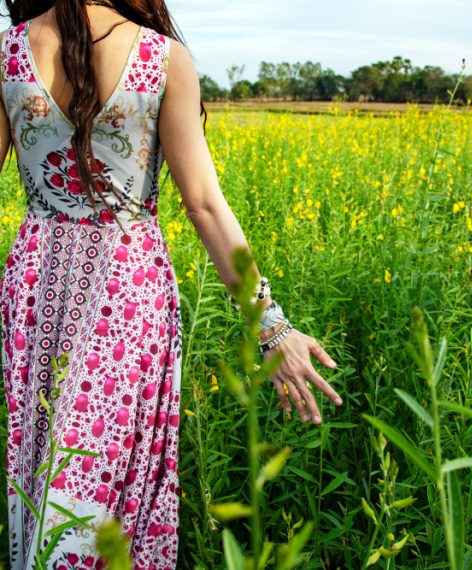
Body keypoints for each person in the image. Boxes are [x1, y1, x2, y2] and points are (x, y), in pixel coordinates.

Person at [0, 0, 343, 567]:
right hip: (127, 293)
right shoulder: (163, 59)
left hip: (34, 287)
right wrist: (271, 324)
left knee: (43, 469)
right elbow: (203, 204)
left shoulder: (10, 53)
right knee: (104, 472)